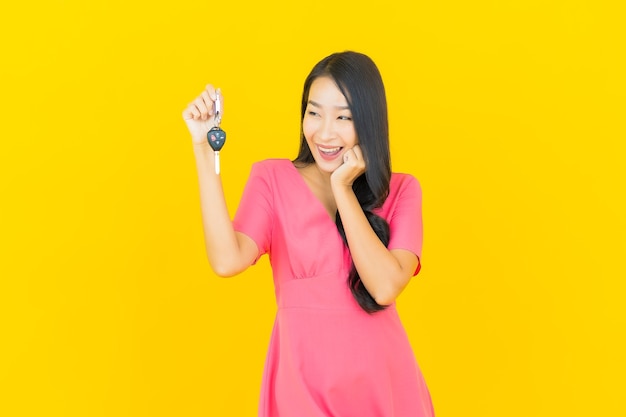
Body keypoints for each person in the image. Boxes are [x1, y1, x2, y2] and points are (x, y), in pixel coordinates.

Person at [182, 51, 434, 417]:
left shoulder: (402, 190)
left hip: (386, 391)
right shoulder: (271, 180)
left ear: (369, 122)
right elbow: (226, 260)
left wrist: (343, 188)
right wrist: (203, 148)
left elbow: (383, 286)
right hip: (301, 389)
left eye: (343, 117)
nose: (324, 132)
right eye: (314, 113)